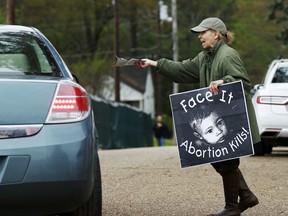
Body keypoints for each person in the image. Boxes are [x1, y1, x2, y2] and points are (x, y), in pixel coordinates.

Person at [136, 17, 260, 216]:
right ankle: (245, 197)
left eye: (204, 32)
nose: (200, 36)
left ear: (217, 34)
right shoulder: (205, 57)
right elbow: (182, 70)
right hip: (219, 117)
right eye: (199, 33)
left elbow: (243, 83)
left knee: (227, 161)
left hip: (231, 120)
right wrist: (154, 63)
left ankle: (232, 207)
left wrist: (223, 81)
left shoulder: (228, 55)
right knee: (216, 157)